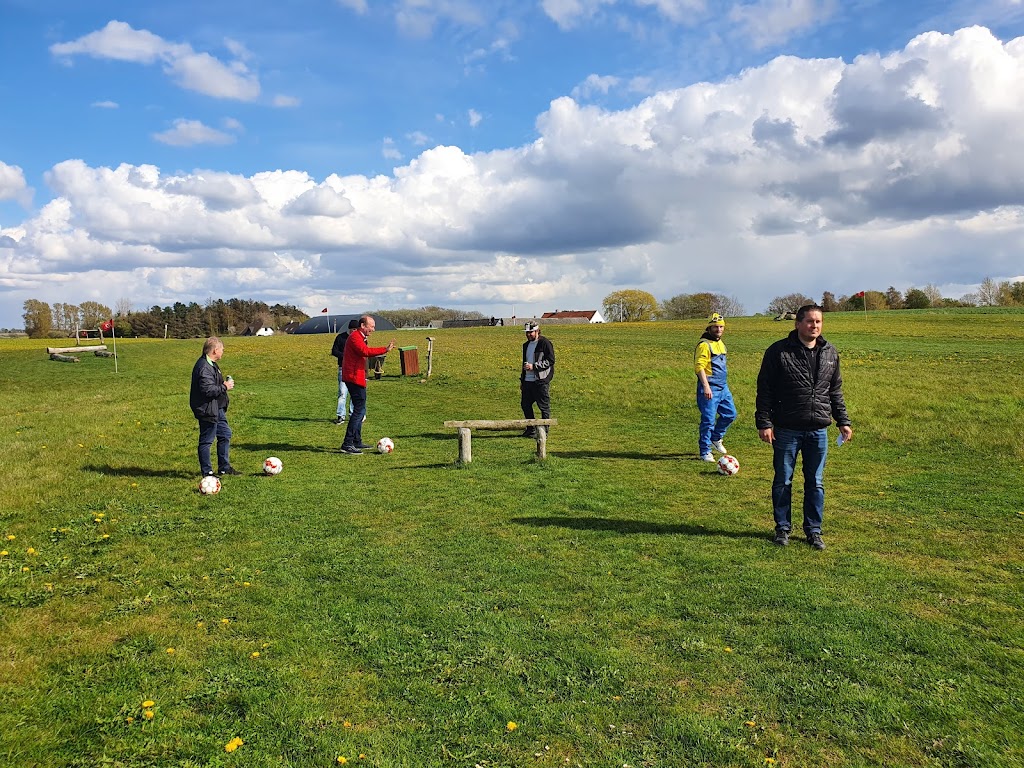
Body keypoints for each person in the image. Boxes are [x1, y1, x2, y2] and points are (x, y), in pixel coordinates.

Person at [755, 304, 853, 550]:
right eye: (810, 322)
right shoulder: (778, 351)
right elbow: (764, 390)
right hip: (786, 428)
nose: (815, 326)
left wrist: (843, 421)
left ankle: (813, 531)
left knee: (816, 482)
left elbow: (835, 391)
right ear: (797, 323)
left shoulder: (830, 352)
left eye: (818, 322)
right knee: (783, 481)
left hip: (818, 429)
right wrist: (764, 422)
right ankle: (782, 528)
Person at [341, 315, 395, 454]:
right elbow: (365, 352)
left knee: (360, 409)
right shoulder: (355, 337)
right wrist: (385, 349)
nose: (373, 329)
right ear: (363, 326)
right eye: (371, 326)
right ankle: (347, 443)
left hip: (357, 377)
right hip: (354, 377)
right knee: (358, 410)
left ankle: (356, 441)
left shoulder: (360, 337)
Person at [189, 337, 240, 477]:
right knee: (206, 440)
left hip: (217, 408)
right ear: (215, 350)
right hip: (207, 409)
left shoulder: (211, 364)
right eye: (222, 349)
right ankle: (207, 472)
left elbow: (211, 385)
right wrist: (225, 386)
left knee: (225, 435)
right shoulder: (204, 367)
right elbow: (207, 391)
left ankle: (224, 467)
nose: (223, 352)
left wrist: (222, 384)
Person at [695, 312, 737, 462]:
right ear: (709, 328)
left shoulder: (720, 343)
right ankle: (705, 451)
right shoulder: (704, 345)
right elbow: (699, 367)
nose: (719, 329)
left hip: (723, 387)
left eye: (721, 327)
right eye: (715, 327)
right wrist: (706, 387)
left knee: (730, 414)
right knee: (708, 420)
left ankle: (716, 438)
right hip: (710, 387)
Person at [520, 321, 555, 437]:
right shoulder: (525, 345)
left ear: (537, 331)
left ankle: (544, 431)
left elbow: (551, 361)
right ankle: (531, 429)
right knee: (525, 405)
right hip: (527, 381)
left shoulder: (545, 343)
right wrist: (522, 379)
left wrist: (534, 367)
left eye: (531, 332)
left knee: (543, 407)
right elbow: (523, 363)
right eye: (527, 333)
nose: (528, 335)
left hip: (541, 380)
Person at [330, 318, 360, 424]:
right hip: (343, 368)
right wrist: (345, 356)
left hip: (355, 369)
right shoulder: (341, 338)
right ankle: (340, 415)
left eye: (357, 329)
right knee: (343, 393)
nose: (355, 332)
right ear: (350, 329)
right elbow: (334, 351)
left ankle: (353, 415)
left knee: (354, 393)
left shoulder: (360, 338)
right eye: (354, 329)